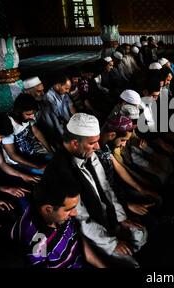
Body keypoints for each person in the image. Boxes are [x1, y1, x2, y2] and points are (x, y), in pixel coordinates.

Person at [43, 113, 147, 267]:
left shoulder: (87, 153)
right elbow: (82, 220)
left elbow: (106, 189)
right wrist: (111, 243)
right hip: (91, 234)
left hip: (107, 218)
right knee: (130, 264)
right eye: (92, 143)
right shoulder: (60, 173)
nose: (98, 147)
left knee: (140, 233)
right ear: (74, 143)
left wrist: (121, 218)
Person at [11, 171, 105, 268]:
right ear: (48, 209)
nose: (75, 213)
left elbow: (78, 238)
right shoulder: (36, 239)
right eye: (69, 210)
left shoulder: (61, 214)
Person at [2, 93, 53, 174]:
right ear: (18, 112)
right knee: (49, 172)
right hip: (19, 163)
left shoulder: (27, 117)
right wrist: (39, 167)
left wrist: (50, 152)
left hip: (34, 154)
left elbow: (36, 132)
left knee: (57, 161)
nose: (32, 117)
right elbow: (12, 155)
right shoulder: (8, 125)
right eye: (28, 114)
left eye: (33, 113)